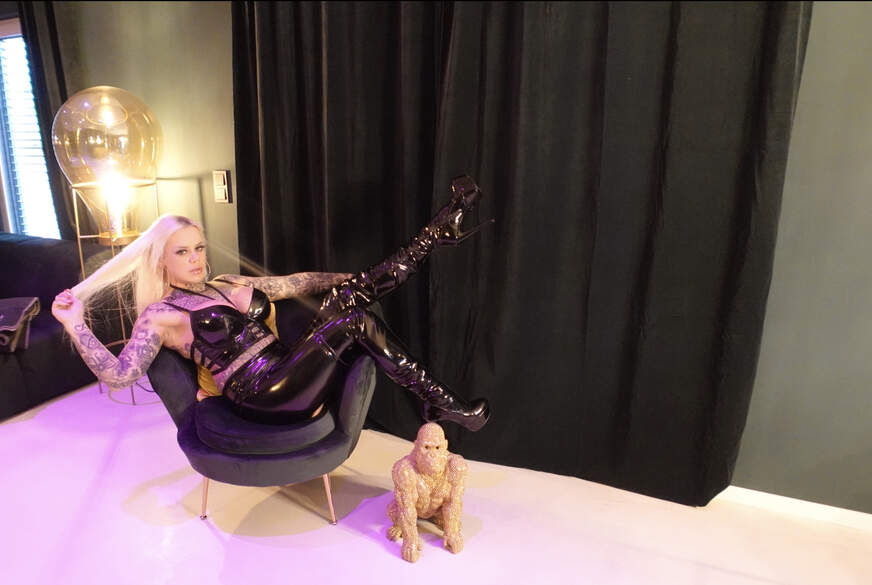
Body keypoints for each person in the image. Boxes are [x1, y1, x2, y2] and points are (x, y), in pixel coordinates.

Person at [51, 176, 490, 431]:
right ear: (161, 261)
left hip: (288, 369)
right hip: (260, 395)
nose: (196, 259)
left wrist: (354, 281)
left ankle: (437, 234)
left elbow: (296, 283)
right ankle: (441, 400)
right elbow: (120, 374)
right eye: (182, 252)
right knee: (354, 320)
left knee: (348, 300)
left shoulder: (225, 282)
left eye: (199, 248)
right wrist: (75, 324)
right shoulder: (160, 316)